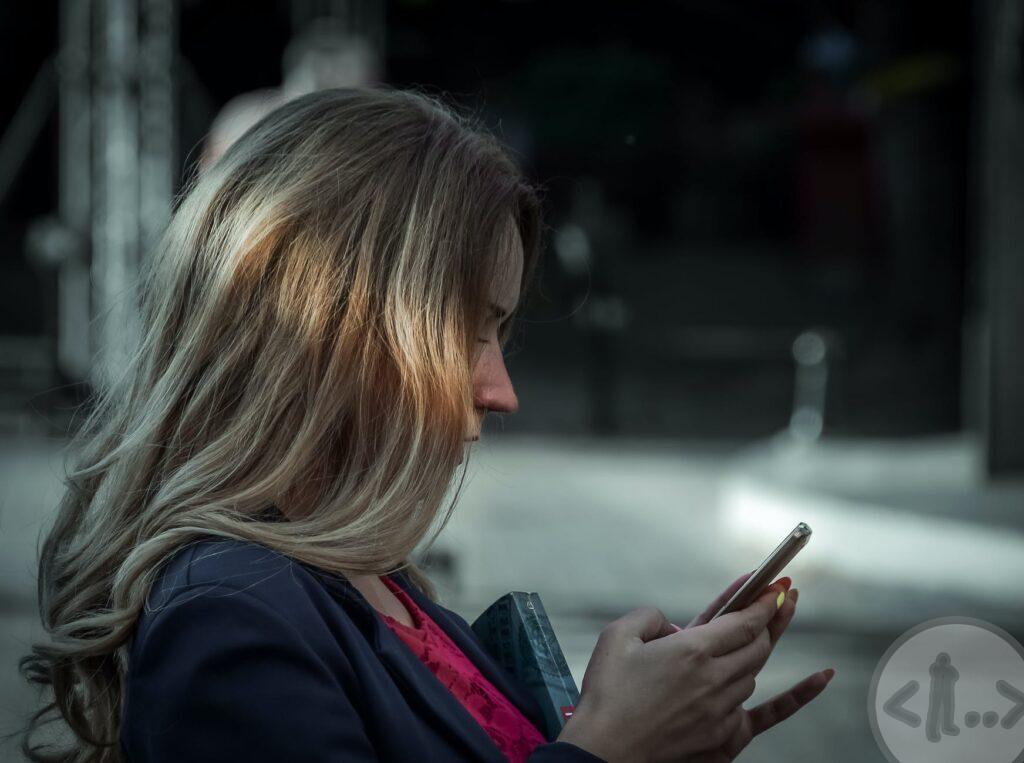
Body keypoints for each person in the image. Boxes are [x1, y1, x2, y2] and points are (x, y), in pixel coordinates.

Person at [18, 87, 834, 762]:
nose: (502, 391)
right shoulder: (231, 614)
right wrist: (610, 748)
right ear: (330, 329)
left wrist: (653, 735)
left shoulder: (360, 577)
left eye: (499, 332)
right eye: (470, 330)